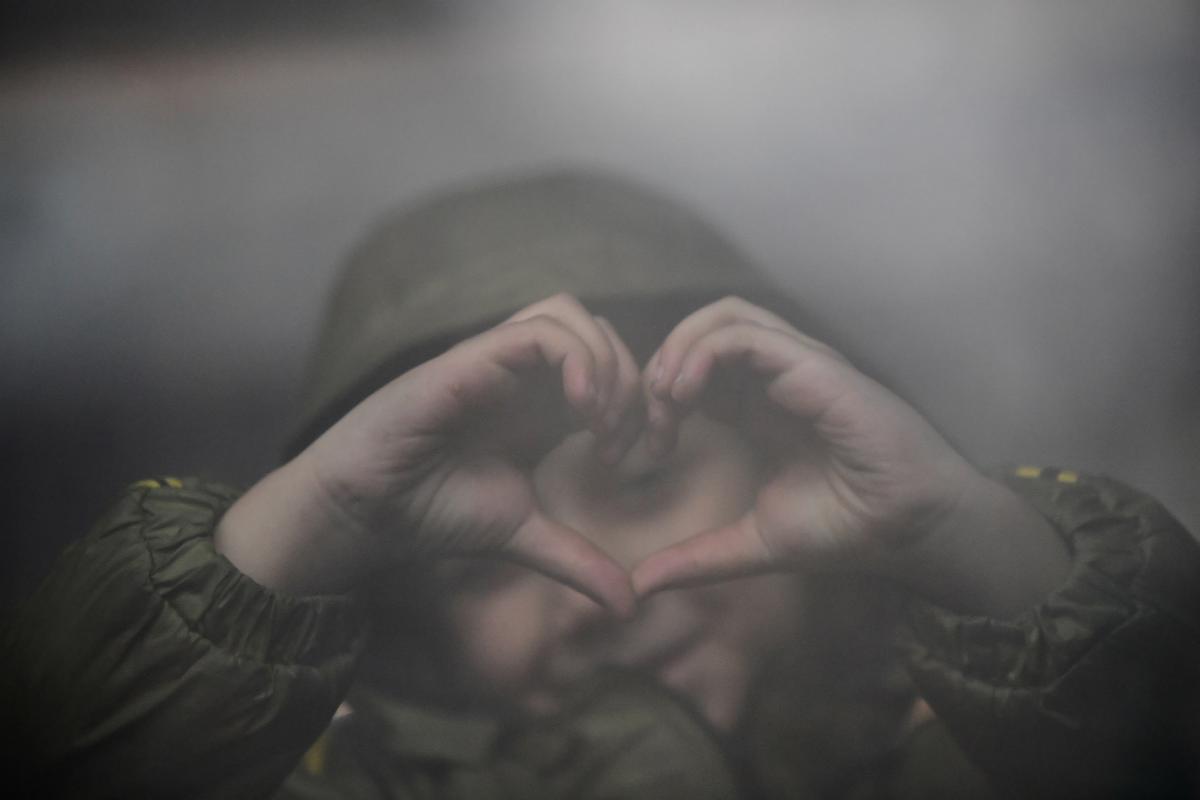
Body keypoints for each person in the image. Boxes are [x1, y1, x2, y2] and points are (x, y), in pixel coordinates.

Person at [4, 172, 1199, 799]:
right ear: (408, 625)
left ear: (791, 461)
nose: (594, 590)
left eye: (643, 480)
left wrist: (956, 529)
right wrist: (312, 520)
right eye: (479, 565)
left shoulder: (964, 763)